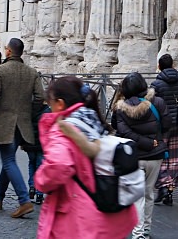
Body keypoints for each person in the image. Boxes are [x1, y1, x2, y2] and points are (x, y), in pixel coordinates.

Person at [33, 76, 138, 239]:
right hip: (108, 212)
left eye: (50, 103)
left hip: (81, 216)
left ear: (60, 103)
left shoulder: (64, 128)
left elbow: (59, 165)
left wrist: (39, 179)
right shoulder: (91, 118)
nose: (49, 107)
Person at [0, 37, 43, 218]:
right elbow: (40, 97)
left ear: (8, 51)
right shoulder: (31, 72)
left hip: (4, 121)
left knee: (8, 160)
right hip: (22, 123)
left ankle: (24, 200)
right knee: (8, 160)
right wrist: (28, 114)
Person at [112, 72, 170, 239]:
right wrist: (152, 141)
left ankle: (138, 234)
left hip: (133, 156)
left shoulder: (121, 107)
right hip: (155, 155)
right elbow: (167, 124)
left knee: (137, 196)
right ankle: (145, 229)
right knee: (149, 193)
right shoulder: (157, 102)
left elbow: (121, 131)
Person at [151, 53, 178, 206]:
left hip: (162, 125)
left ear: (159, 66)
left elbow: (152, 106)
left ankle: (162, 185)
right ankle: (170, 191)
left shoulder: (156, 84)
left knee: (160, 156)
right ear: (172, 65)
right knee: (175, 159)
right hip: (177, 125)